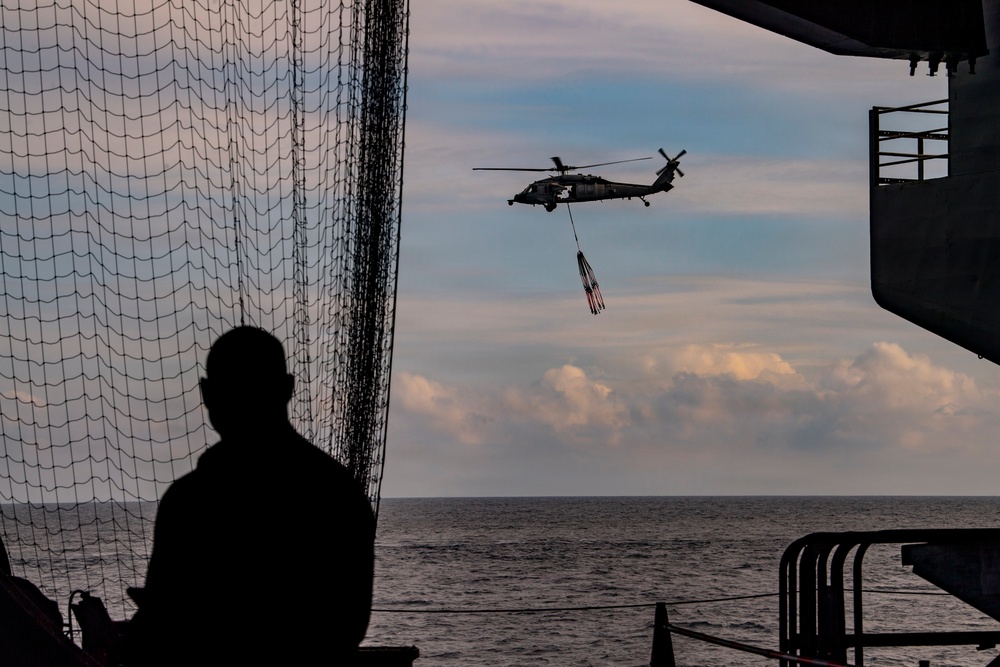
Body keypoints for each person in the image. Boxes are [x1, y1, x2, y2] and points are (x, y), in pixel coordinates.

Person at [127, 326, 375, 666]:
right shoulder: (337, 491)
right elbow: (347, 624)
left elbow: (160, 623)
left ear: (207, 393)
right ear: (287, 389)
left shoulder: (188, 500)